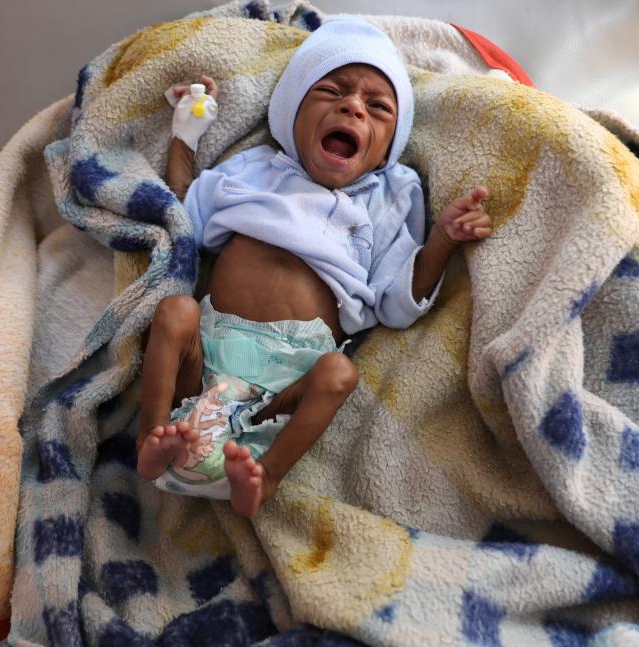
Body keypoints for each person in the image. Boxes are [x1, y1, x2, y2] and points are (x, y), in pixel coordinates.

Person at [135, 18, 491, 517]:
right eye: (331, 91)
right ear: (291, 113)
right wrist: (186, 132)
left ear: (390, 145)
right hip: (208, 357)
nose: (352, 106)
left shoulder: (390, 196)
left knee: (339, 373)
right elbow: (184, 211)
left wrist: (441, 241)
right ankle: (154, 435)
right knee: (175, 312)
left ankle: (266, 476)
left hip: (290, 380)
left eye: (378, 107)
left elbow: (395, 301)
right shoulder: (258, 167)